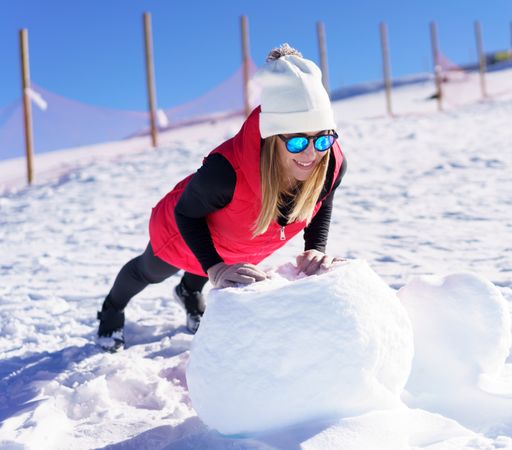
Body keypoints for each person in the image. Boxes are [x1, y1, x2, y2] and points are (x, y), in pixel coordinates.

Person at [96, 44, 347, 352]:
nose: (312, 153)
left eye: (322, 137)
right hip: (185, 229)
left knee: (216, 264)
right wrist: (214, 268)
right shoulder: (225, 172)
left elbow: (323, 198)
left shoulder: (331, 161)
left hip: (241, 237)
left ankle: (189, 292)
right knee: (150, 271)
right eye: (296, 142)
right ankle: (112, 309)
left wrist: (314, 248)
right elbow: (187, 214)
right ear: (272, 136)